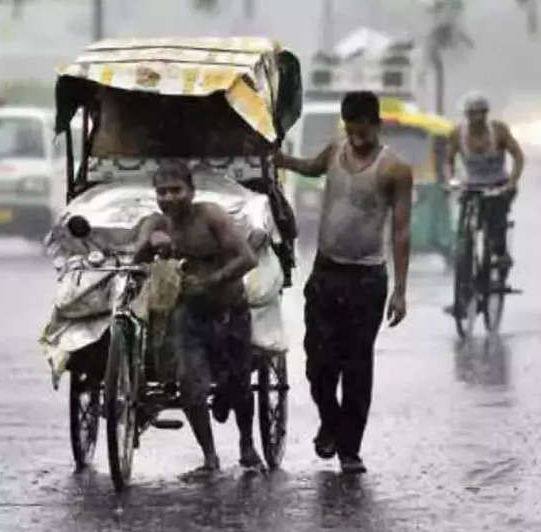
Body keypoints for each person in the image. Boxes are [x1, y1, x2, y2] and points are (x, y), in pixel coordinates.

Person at [275, 91, 413, 474]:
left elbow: (401, 232)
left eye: (363, 132)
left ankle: (350, 449)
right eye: (351, 132)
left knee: (356, 365)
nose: (357, 140)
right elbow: (312, 168)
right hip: (326, 272)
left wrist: (400, 291)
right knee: (318, 364)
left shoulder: (395, 169)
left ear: (377, 125)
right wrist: (282, 160)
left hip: (367, 279)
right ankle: (330, 422)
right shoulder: (336, 147)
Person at [134, 161, 261, 479]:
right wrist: (151, 245)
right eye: (161, 192)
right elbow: (135, 258)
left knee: (239, 385)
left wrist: (212, 280)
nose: (169, 198)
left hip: (230, 311)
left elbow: (248, 257)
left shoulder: (211, 216)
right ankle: (210, 458)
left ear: (191, 191)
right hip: (188, 314)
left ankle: (248, 445)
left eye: (176, 190)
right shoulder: (156, 222)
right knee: (190, 387)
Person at [445, 91, 524, 269]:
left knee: (495, 216)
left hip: (499, 184)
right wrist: (451, 180)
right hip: (472, 184)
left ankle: (499, 250)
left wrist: (512, 182)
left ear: (486, 113)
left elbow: (518, 156)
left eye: (481, 113)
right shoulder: (458, 134)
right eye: (472, 113)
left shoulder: (498, 130)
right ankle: (465, 246)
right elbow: (448, 161)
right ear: (466, 115)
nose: (477, 118)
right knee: (466, 212)